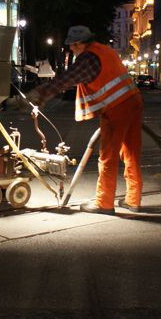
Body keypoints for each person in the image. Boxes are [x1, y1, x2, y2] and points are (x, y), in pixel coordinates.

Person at [26, 25, 143, 214]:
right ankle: (133, 200)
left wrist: (39, 94)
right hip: (133, 101)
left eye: (72, 45)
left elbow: (66, 79)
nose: (71, 49)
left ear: (80, 44)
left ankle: (104, 203)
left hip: (116, 108)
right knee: (131, 153)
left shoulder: (89, 59)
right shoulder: (104, 50)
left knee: (108, 156)